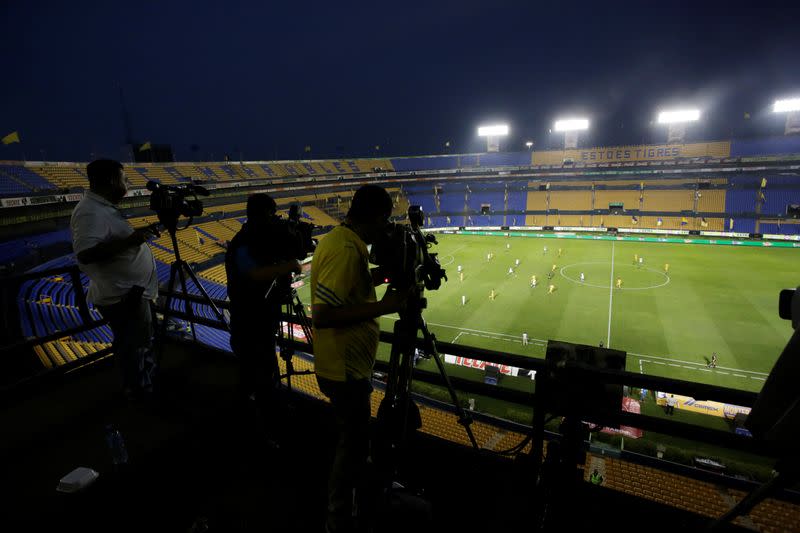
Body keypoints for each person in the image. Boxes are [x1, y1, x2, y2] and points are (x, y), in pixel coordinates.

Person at [312, 184, 407, 533]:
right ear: (377, 216)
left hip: (347, 365)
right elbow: (322, 314)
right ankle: (339, 515)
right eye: (386, 219)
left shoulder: (343, 242)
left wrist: (378, 278)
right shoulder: (345, 249)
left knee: (354, 439)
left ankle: (356, 493)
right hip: (344, 369)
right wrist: (384, 306)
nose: (387, 227)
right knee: (351, 444)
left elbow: (350, 292)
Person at [70, 159, 159, 402]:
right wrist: (132, 241)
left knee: (136, 344)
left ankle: (141, 385)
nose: (126, 183)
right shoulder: (89, 211)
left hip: (129, 293)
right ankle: (141, 393)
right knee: (136, 347)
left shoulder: (101, 208)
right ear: (111, 180)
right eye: (124, 179)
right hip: (124, 296)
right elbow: (86, 254)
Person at [225, 193, 302, 435]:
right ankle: (262, 426)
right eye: (272, 214)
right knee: (258, 373)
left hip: (260, 317)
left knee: (260, 369)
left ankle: (258, 416)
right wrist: (288, 266)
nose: (275, 220)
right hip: (250, 321)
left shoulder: (254, 239)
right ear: (264, 214)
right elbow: (255, 275)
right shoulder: (244, 243)